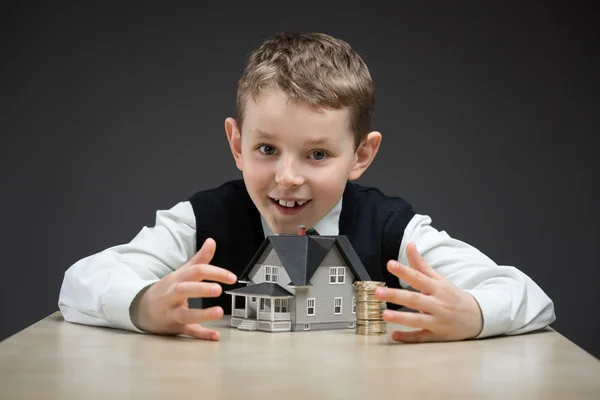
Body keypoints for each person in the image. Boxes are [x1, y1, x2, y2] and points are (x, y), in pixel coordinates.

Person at [58, 32, 556, 343]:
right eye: (267, 149)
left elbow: (527, 296)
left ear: (361, 155)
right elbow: (80, 282)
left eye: (317, 154)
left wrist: (470, 314)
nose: (288, 177)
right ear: (236, 142)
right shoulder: (201, 222)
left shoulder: (394, 231)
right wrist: (143, 305)